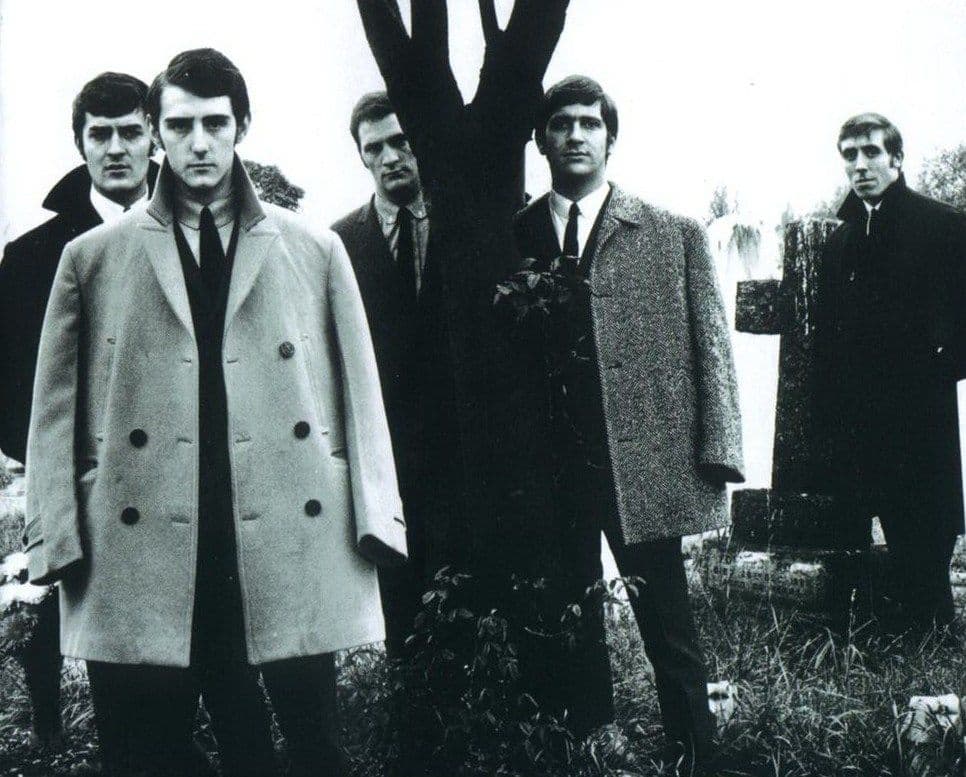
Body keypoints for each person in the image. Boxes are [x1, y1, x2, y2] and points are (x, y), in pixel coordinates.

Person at [25, 48, 405, 777]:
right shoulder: (91, 257)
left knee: (315, 746)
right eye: (179, 126)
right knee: (146, 754)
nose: (198, 144)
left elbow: (362, 395)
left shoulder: (314, 249)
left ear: (243, 126)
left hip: (284, 533)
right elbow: (53, 413)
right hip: (141, 542)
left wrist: (375, 519)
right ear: (155, 132)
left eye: (215, 123)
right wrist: (56, 536)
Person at [512, 75, 744, 771]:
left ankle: (695, 754)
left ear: (611, 138)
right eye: (561, 123)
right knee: (569, 616)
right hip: (553, 463)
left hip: (642, 462)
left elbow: (713, 347)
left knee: (667, 619)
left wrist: (718, 451)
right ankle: (589, 748)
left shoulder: (671, 233)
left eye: (590, 123)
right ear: (541, 139)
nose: (575, 135)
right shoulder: (515, 234)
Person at [0, 71, 158, 753]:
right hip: (92, 493)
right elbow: (12, 389)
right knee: (115, 682)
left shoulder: (204, 230)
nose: (116, 148)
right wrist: (64, 472)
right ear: (80, 143)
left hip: (191, 483)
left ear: (153, 137)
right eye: (100, 134)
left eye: (130, 132)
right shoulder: (33, 256)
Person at [814, 113, 966, 636]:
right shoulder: (841, 240)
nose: (860, 165)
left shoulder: (944, 225)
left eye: (871, 152)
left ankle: (931, 632)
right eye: (849, 155)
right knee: (855, 521)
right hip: (857, 417)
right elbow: (830, 334)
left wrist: (939, 368)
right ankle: (869, 627)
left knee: (924, 525)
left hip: (919, 410)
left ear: (896, 158)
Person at [332, 92, 454, 659]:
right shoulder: (338, 243)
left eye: (401, 142)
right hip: (386, 462)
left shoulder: (463, 222)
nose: (390, 158)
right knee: (402, 614)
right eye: (374, 147)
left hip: (462, 458)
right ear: (360, 156)